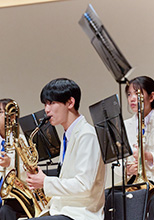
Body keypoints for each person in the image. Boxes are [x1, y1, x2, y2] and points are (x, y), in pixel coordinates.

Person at [26, 78, 106, 220]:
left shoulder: (87, 135)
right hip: (64, 211)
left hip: (81, 214)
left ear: (70, 102)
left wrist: (45, 182)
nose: (46, 109)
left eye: (51, 103)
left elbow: (84, 185)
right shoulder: (67, 135)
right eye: (45, 104)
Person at [120, 76, 154, 220]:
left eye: (137, 93)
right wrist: (127, 170)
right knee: (110, 197)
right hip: (133, 184)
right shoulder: (124, 125)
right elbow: (117, 163)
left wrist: (149, 157)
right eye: (129, 94)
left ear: (151, 96)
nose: (132, 99)